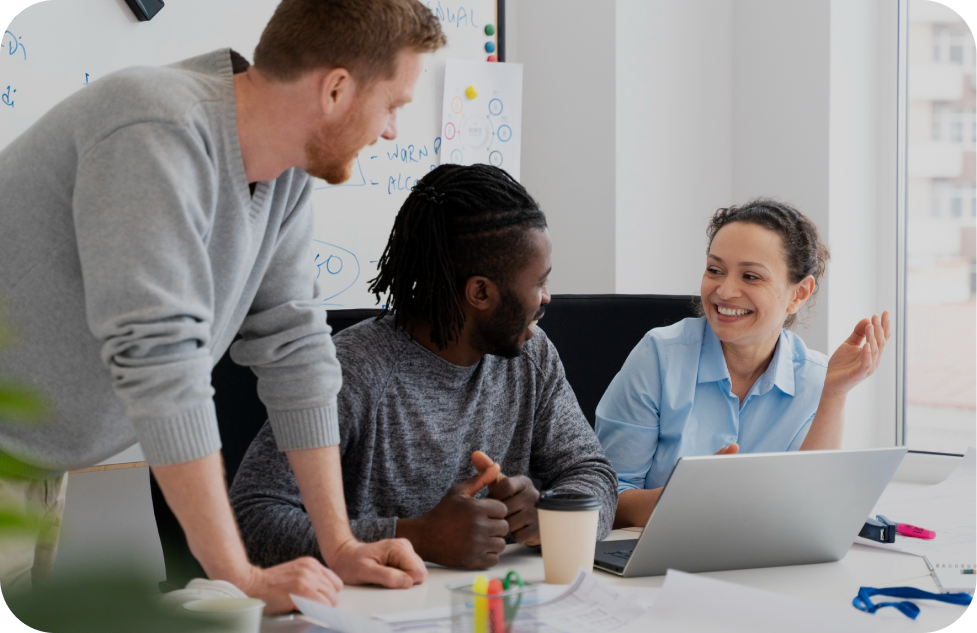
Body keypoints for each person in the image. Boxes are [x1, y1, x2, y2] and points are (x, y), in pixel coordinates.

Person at [0, 0, 445, 611]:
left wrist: (339, 543)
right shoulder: (153, 127)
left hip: (36, 457)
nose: (392, 129)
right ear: (337, 89)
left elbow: (295, 348)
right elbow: (160, 360)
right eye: (394, 104)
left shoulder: (282, 176)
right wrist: (242, 575)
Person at [229, 164, 618, 570]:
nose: (546, 298)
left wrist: (550, 515)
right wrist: (413, 536)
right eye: (539, 282)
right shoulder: (352, 371)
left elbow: (594, 474)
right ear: (481, 292)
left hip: (489, 606)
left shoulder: (531, 358)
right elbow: (251, 521)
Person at [595, 199, 891, 529]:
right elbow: (604, 501)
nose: (724, 290)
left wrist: (834, 394)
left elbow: (810, 507)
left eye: (750, 276)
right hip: (658, 561)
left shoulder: (818, 378)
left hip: (767, 565)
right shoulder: (659, 357)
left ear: (799, 294)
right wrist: (690, 496)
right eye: (715, 270)